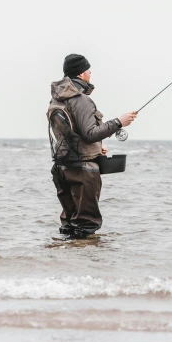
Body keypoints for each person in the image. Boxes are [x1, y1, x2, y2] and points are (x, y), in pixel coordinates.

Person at [47, 54, 136, 238]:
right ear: (81, 73)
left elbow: (71, 133)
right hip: (83, 170)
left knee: (70, 223)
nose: (90, 72)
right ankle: (84, 265)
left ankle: (63, 262)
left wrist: (96, 148)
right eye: (88, 69)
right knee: (87, 224)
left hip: (62, 167)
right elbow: (89, 133)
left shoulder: (57, 99)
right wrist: (119, 122)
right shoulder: (81, 100)